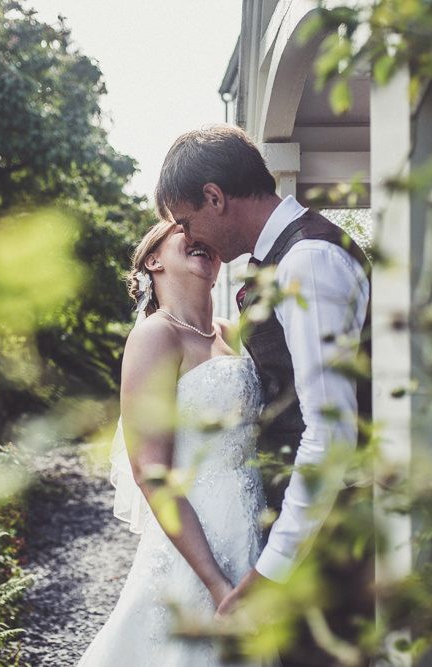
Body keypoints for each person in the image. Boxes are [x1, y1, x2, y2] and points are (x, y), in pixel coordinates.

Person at [155, 124, 372, 665]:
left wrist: (274, 567)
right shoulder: (282, 258)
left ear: (215, 197)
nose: (192, 236)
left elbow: (330, 430)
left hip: (328, 534)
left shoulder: (308, 261)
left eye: (187, 221)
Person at [77, 220, 267, 666]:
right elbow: (151, 474)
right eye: (182, 228)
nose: (198, 233)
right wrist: (216, 582)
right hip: (197, 550)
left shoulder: (229, 333)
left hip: (250, 532)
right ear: (153, 259)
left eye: (206, 235)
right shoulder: (154, 336)